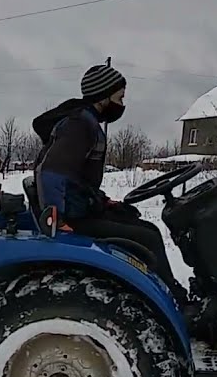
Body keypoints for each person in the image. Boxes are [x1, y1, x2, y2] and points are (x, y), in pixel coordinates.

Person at [30, 64, 182, 296]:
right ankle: (172, 296)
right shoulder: (80, 125)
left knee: (139, 223)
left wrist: (102, 200)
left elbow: (77, 178)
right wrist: (55, 217)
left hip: (81, 207)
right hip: (72, 217)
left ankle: (168, 290)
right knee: (147, 237)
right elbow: (50, 172)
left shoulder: (87, 122)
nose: (121, 104)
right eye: (119, 98)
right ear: (102, 96)